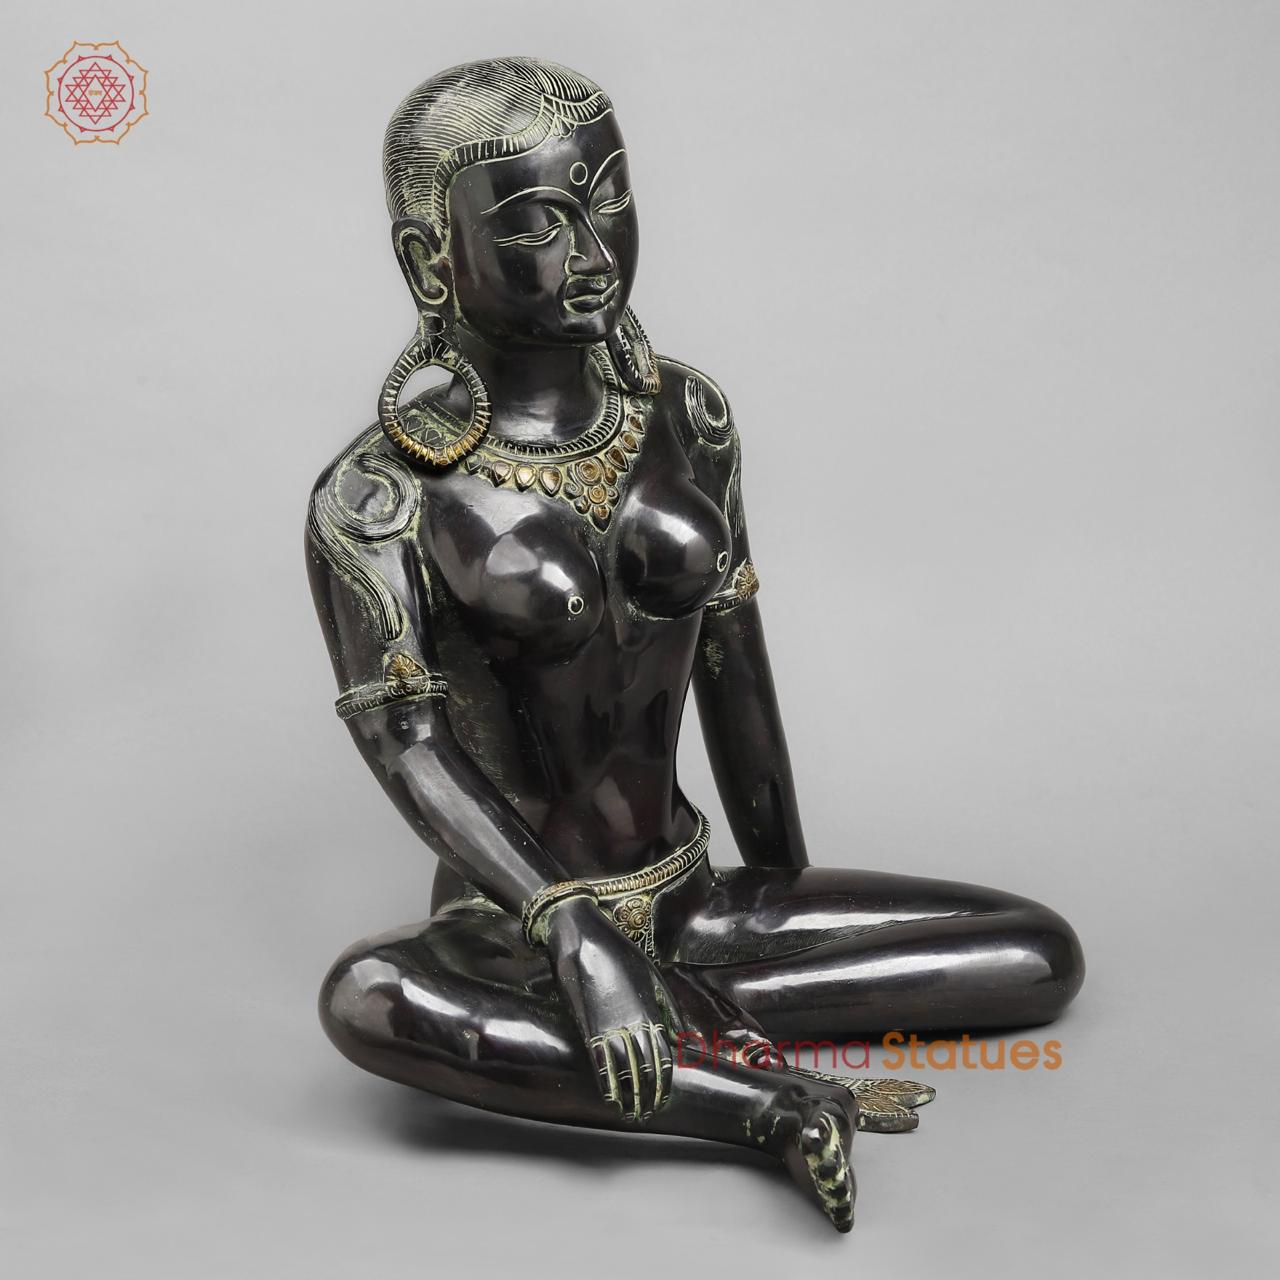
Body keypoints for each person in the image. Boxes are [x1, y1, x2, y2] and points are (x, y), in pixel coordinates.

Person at [306, 57, 1084, 1233]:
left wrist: (781, 887)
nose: (591, 250)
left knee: (1032, 953)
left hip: (694, 895)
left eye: (608, 197)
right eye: (534, 226)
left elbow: (736, 676)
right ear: (430, 263)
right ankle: (758, 1100)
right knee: (369, 993)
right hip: (510, 929)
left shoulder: (686, 418)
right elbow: (411, 749)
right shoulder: (380, 498)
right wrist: (569, 925)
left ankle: (666, 1022)